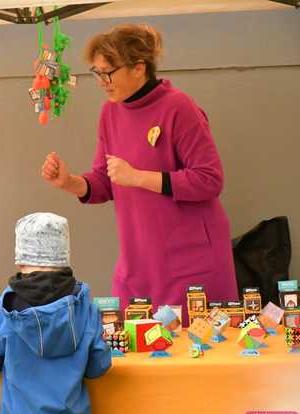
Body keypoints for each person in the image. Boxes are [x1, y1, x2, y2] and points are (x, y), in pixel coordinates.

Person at [41, 24, 238, 321]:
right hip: (139, 264)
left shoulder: (178, 108)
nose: (102, 81)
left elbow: (209, 179)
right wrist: (70, 182)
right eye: (96, 72)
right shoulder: (110, 112)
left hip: (191, 265)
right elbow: (105, 180)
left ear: (138, 68)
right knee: (137, 349)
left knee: (191, 354)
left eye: (108, 72)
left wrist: (139, 177)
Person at [0, 212, 111, 414]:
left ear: (20, 261)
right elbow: (98, 367)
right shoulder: (86, 308)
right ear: (65, 258)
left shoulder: (3, 308)